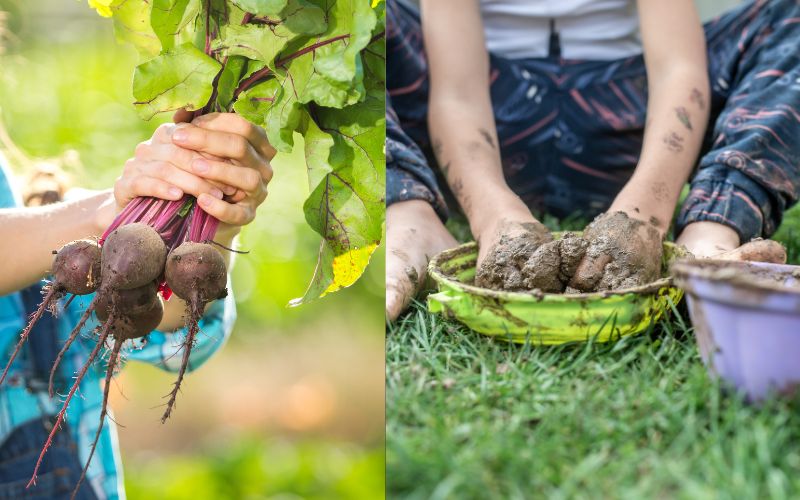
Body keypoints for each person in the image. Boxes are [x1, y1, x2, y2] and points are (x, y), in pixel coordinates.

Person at [386, 0, 798, 319]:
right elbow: (457, 92)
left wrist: (644, 217)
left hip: (627, 115)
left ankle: (709, 233)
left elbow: (679, 68)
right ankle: (408, 209)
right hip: (488, 114)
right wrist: (493, 215)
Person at [0, 111, 274, 499]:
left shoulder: (26, 194)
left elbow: (171, 324)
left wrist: (216, 207)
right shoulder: (79, 218)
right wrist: (101, 214)